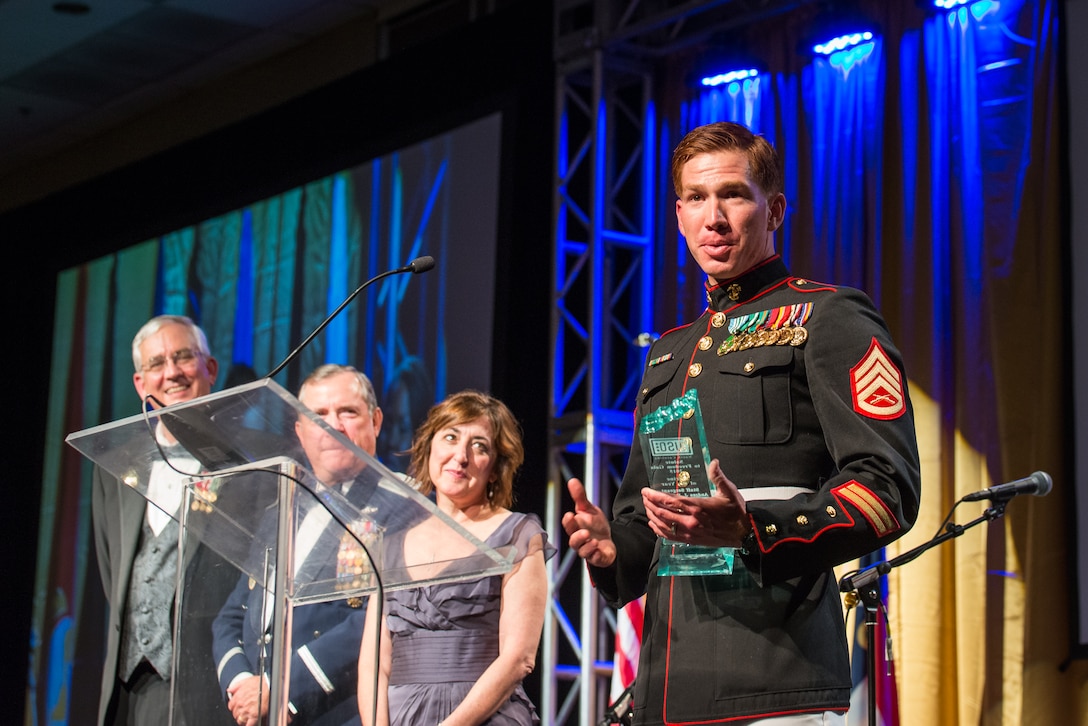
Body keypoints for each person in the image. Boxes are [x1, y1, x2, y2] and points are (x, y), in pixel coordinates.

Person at [562, 121, 922, 725]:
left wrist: (752, 528)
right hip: (667, 686)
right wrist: (610, 548)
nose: (714, 217)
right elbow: (646, 523)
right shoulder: (668, 353)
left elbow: (887, 490)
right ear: (677, 215)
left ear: (774, 208)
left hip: (777, 677)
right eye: (697, 199)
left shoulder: (830, 316)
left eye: (733, 194)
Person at [358, 390, 555, 726]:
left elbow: (518, 658)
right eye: (450, 437)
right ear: (430, 447)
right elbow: (375, 661)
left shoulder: (518, 535)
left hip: (484, 716)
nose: (460, 455)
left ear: (495, 468)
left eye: (479, 446)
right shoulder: (389, 543)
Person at [212, 364, 386, 726]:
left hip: (339, 714)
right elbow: (232, 615)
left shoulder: (397, 510)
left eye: (348, 412)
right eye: (317, 415)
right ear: (301, 431)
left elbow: (378, 620)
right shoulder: (281, 510)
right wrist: (243, 683)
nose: (332, 426)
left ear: (376, 421)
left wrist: (280, 688)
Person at [92, 314, 231, 725]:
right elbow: (112, 568)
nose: (171, 372)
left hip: (209, 690)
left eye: (184, 357)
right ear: (140, 383)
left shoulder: (246, 464)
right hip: (133, 687)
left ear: (210, 369)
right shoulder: (115, 469)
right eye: (156, 363)